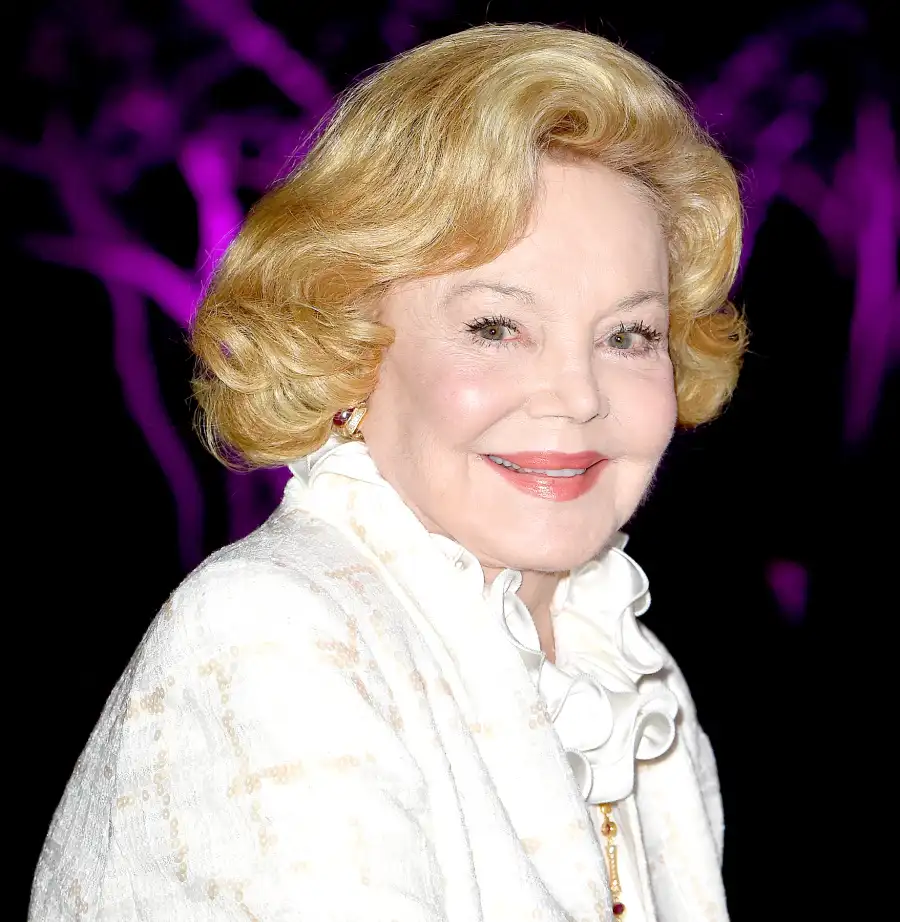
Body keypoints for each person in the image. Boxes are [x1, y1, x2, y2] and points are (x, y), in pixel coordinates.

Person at [29, 22, 745, 922]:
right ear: (350, 345)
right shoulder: (278, 634)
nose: (577, 396)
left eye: (628, 335)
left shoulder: (631, 678)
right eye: (496, 327)